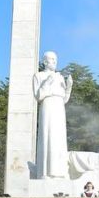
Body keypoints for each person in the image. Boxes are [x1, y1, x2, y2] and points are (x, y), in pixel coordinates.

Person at [34, 51, 72, 179]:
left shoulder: (60, 77)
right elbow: (38, 96)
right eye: (52, 60)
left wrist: (69, 87)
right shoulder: (38, 76)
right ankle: (46, 172)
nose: (54, 62)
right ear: (45, 62)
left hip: (59, 107)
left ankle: (60, 172)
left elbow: (65, 99)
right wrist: (47, 82)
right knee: (48, 136)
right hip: (47, 105)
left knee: (59, 138)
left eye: (56, 60)